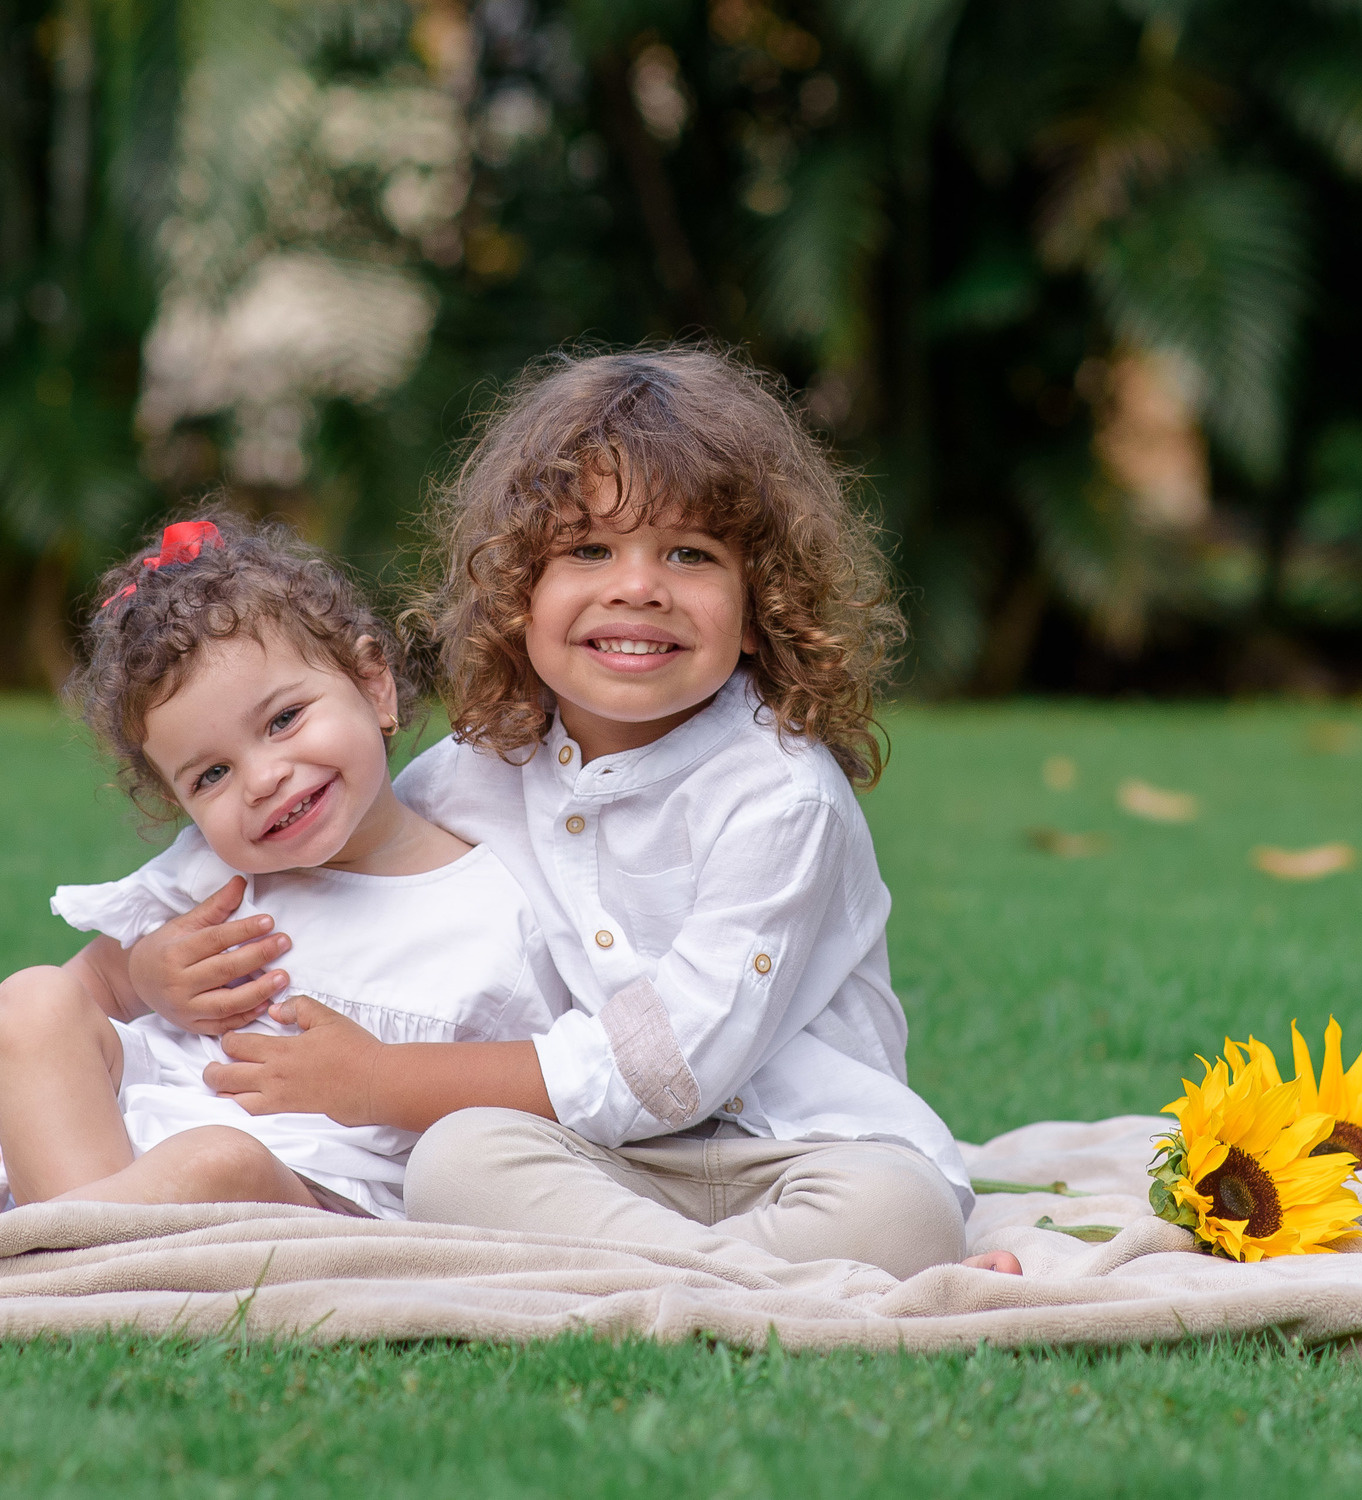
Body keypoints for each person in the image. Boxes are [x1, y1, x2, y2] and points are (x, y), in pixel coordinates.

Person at [124, 345, 1019, 1279]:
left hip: (796, 1153)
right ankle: (759, 1282)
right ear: (518, 594)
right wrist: (146, 970)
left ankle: (711, 1275)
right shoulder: (485, 761)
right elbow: (313, 847)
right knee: (455, 1162)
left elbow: (668, 1068)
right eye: (589, 550)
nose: (637, 585)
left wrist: (382, 1083)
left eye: (690, 553)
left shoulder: (780, 798)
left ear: (758, 608)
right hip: (595, 1166)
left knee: (898, 1213)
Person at [0, 514, 562, 1222]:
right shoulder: (214, 876)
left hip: (301, 1191)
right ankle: (56, 1225)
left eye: (283, 720)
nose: (261, 779)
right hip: (125, 1148)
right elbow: (93, 982)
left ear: (375, 688)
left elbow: (532, 1111)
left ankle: (43, 1242)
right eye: (212, 774)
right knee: (27, 1000)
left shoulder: (495, 914)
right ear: (179, 800)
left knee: (219, 1160)